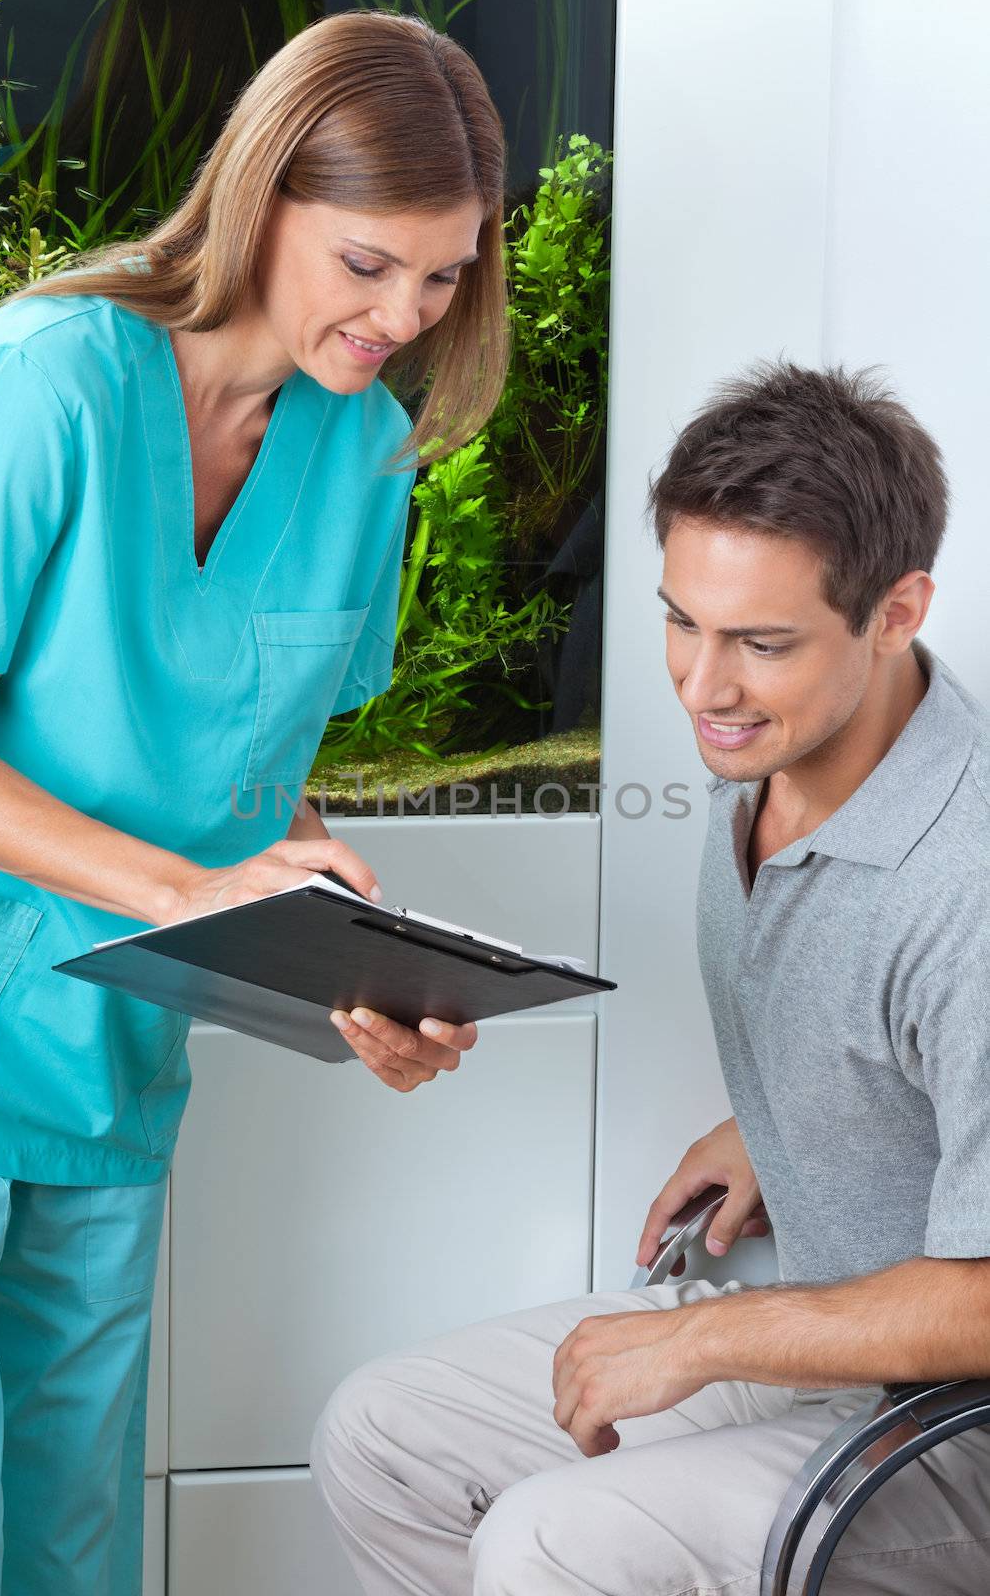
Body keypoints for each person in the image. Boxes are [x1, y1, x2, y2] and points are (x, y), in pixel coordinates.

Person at [0, 11, 509, 1594]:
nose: (406, 312)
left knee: (73, 1542)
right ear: (261, 201)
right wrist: (188, 896)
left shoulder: (362, 453)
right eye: (369, 262)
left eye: (447, 273)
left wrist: (334, 944)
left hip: (107, 1066)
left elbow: (261, 772)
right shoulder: (42, 387)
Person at [311, 363, 990, 1595]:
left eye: (760, 642)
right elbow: (888, 1010)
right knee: (384, 1433)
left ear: (897, 611)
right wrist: (796, 1116)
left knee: (550, 1541)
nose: (701, 684)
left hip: (958, 1433)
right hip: (828, 1331)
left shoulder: (971, 882)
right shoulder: (778, 754)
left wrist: (707, 1334)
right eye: (682, 618)